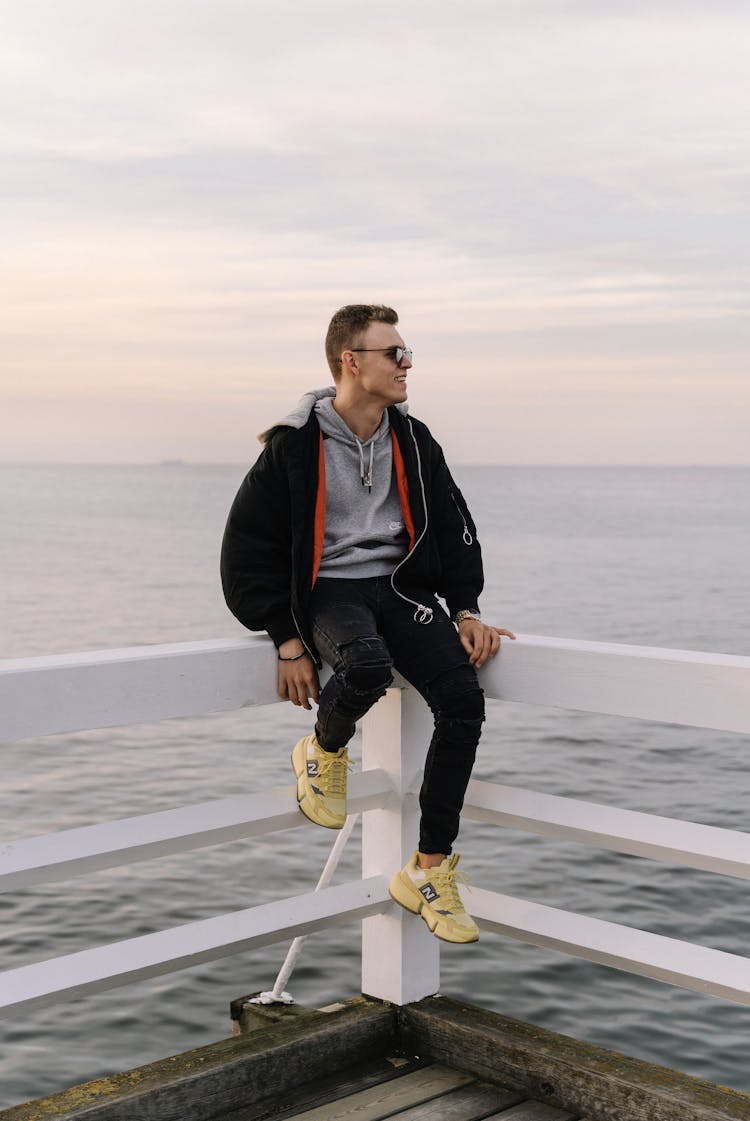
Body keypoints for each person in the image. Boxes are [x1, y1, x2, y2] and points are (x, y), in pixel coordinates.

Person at [221, 304, 515, 944]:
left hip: (400, 587)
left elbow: (457, 526)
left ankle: (429, 870)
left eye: (407, 353)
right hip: (330, 592)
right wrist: (286, 638)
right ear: (351, 361)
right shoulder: (294, 445)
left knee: (464, 701)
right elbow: (247, 549)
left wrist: (464, 608)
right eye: (394, 353)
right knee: (367, 666)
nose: (407, 365)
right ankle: (322, 749)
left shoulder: (412, 438)